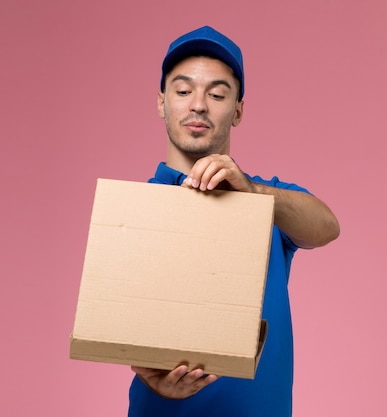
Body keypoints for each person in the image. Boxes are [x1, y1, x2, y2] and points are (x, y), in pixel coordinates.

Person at [127, 25, 340, 417]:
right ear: (161, 103)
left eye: (218, 93)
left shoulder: (264, 200)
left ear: (238, 110)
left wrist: (254, 193)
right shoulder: (134, 211)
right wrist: (149, 378)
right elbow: (117, 322)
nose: (198, 105)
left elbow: (327, 227)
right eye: (183, 90)